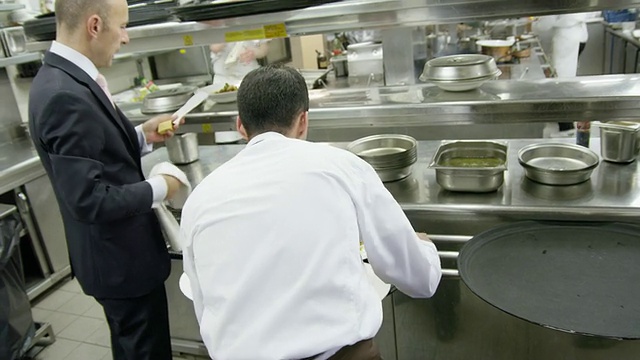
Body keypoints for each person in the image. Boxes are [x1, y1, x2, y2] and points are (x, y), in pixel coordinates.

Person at [180, 64, 442, 360]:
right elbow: (417, 278)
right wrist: (425, 249)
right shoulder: (342, 166)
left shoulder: (200, 197)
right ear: (303, 121)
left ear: (240, 126)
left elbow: (204, 305)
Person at [28, 0, 183, 359]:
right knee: (144, 350)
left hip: (118, 255)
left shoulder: (68, 76)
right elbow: (89, 199)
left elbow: (98, 151)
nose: (126, 38)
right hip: (118, 261)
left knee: (135, 345)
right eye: (123, 26)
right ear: (94, 26)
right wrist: (162, 187)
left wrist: (143, 136)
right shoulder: (63, 95)